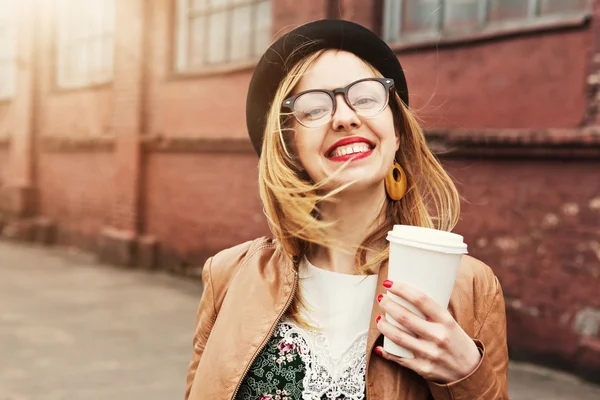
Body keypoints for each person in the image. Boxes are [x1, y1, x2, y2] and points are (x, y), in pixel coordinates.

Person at [185, 19, 508, 400]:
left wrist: (466, 377)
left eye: (367, 98)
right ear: (290, 147)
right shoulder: (228, 276)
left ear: (397, 129)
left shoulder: (470, 288)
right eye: (314, 107)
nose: (345, 116)